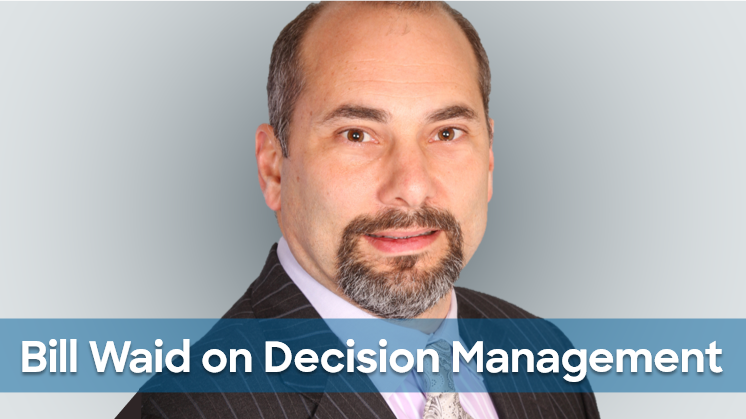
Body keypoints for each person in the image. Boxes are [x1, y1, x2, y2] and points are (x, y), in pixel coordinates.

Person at [122, 1, 601, 418]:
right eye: (356, 135)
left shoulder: (545, 356)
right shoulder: (189, 407)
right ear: (273, 169)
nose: (411, 187)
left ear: (490, 159)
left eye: (447, 133)